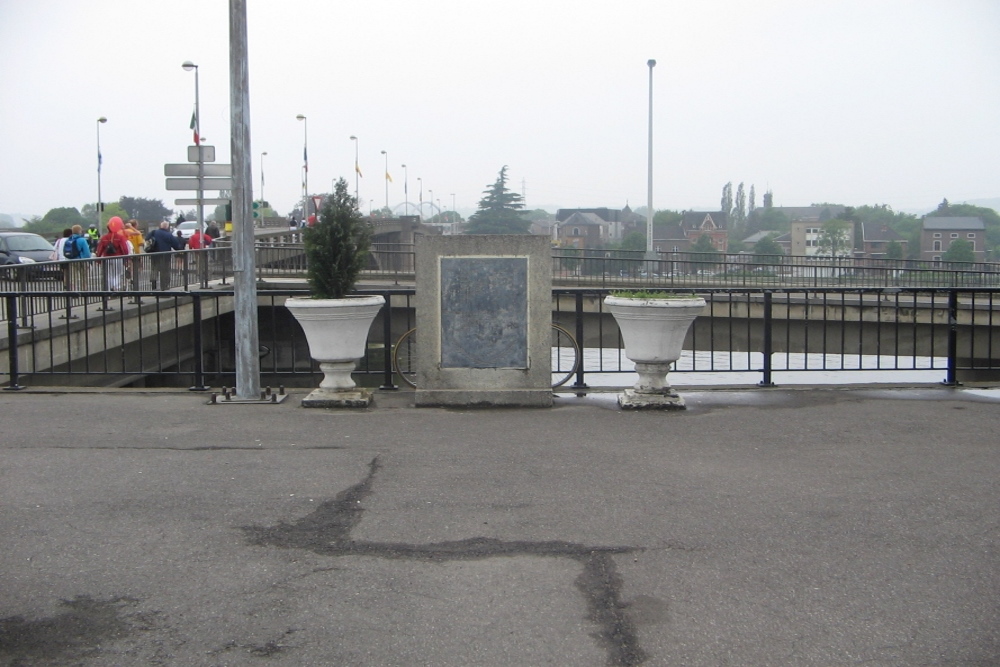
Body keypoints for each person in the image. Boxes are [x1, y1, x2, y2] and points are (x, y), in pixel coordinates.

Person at [95, 216, 133, 290]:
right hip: (118, 258)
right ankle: (116, 288)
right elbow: (124, 249)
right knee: (118, 274)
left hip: (107, 258)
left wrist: (98, 259)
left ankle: (109, 289)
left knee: (109, 274)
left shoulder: (104, 238)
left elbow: (99, 249)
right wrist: (126, 258)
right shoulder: (120, 237)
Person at [145, 221, 182, 289]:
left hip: (154, 254)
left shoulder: (153, 232)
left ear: (160, 226)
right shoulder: (169, 235)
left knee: (154, 269)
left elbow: (147, 239)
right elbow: (176, 245)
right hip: (165, 256)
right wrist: (181, 250)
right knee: (165, 270)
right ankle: (164, 285)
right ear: (167, 227)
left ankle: (154, 285)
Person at [66, 224, 91, 290]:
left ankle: (74, 290)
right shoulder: (82, 240)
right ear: (80, 231)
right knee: (84, 276)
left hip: (71, 260)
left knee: (73, 277)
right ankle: (84, 290)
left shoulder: (68, 240)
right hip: (81, 260)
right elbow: (87, 253)